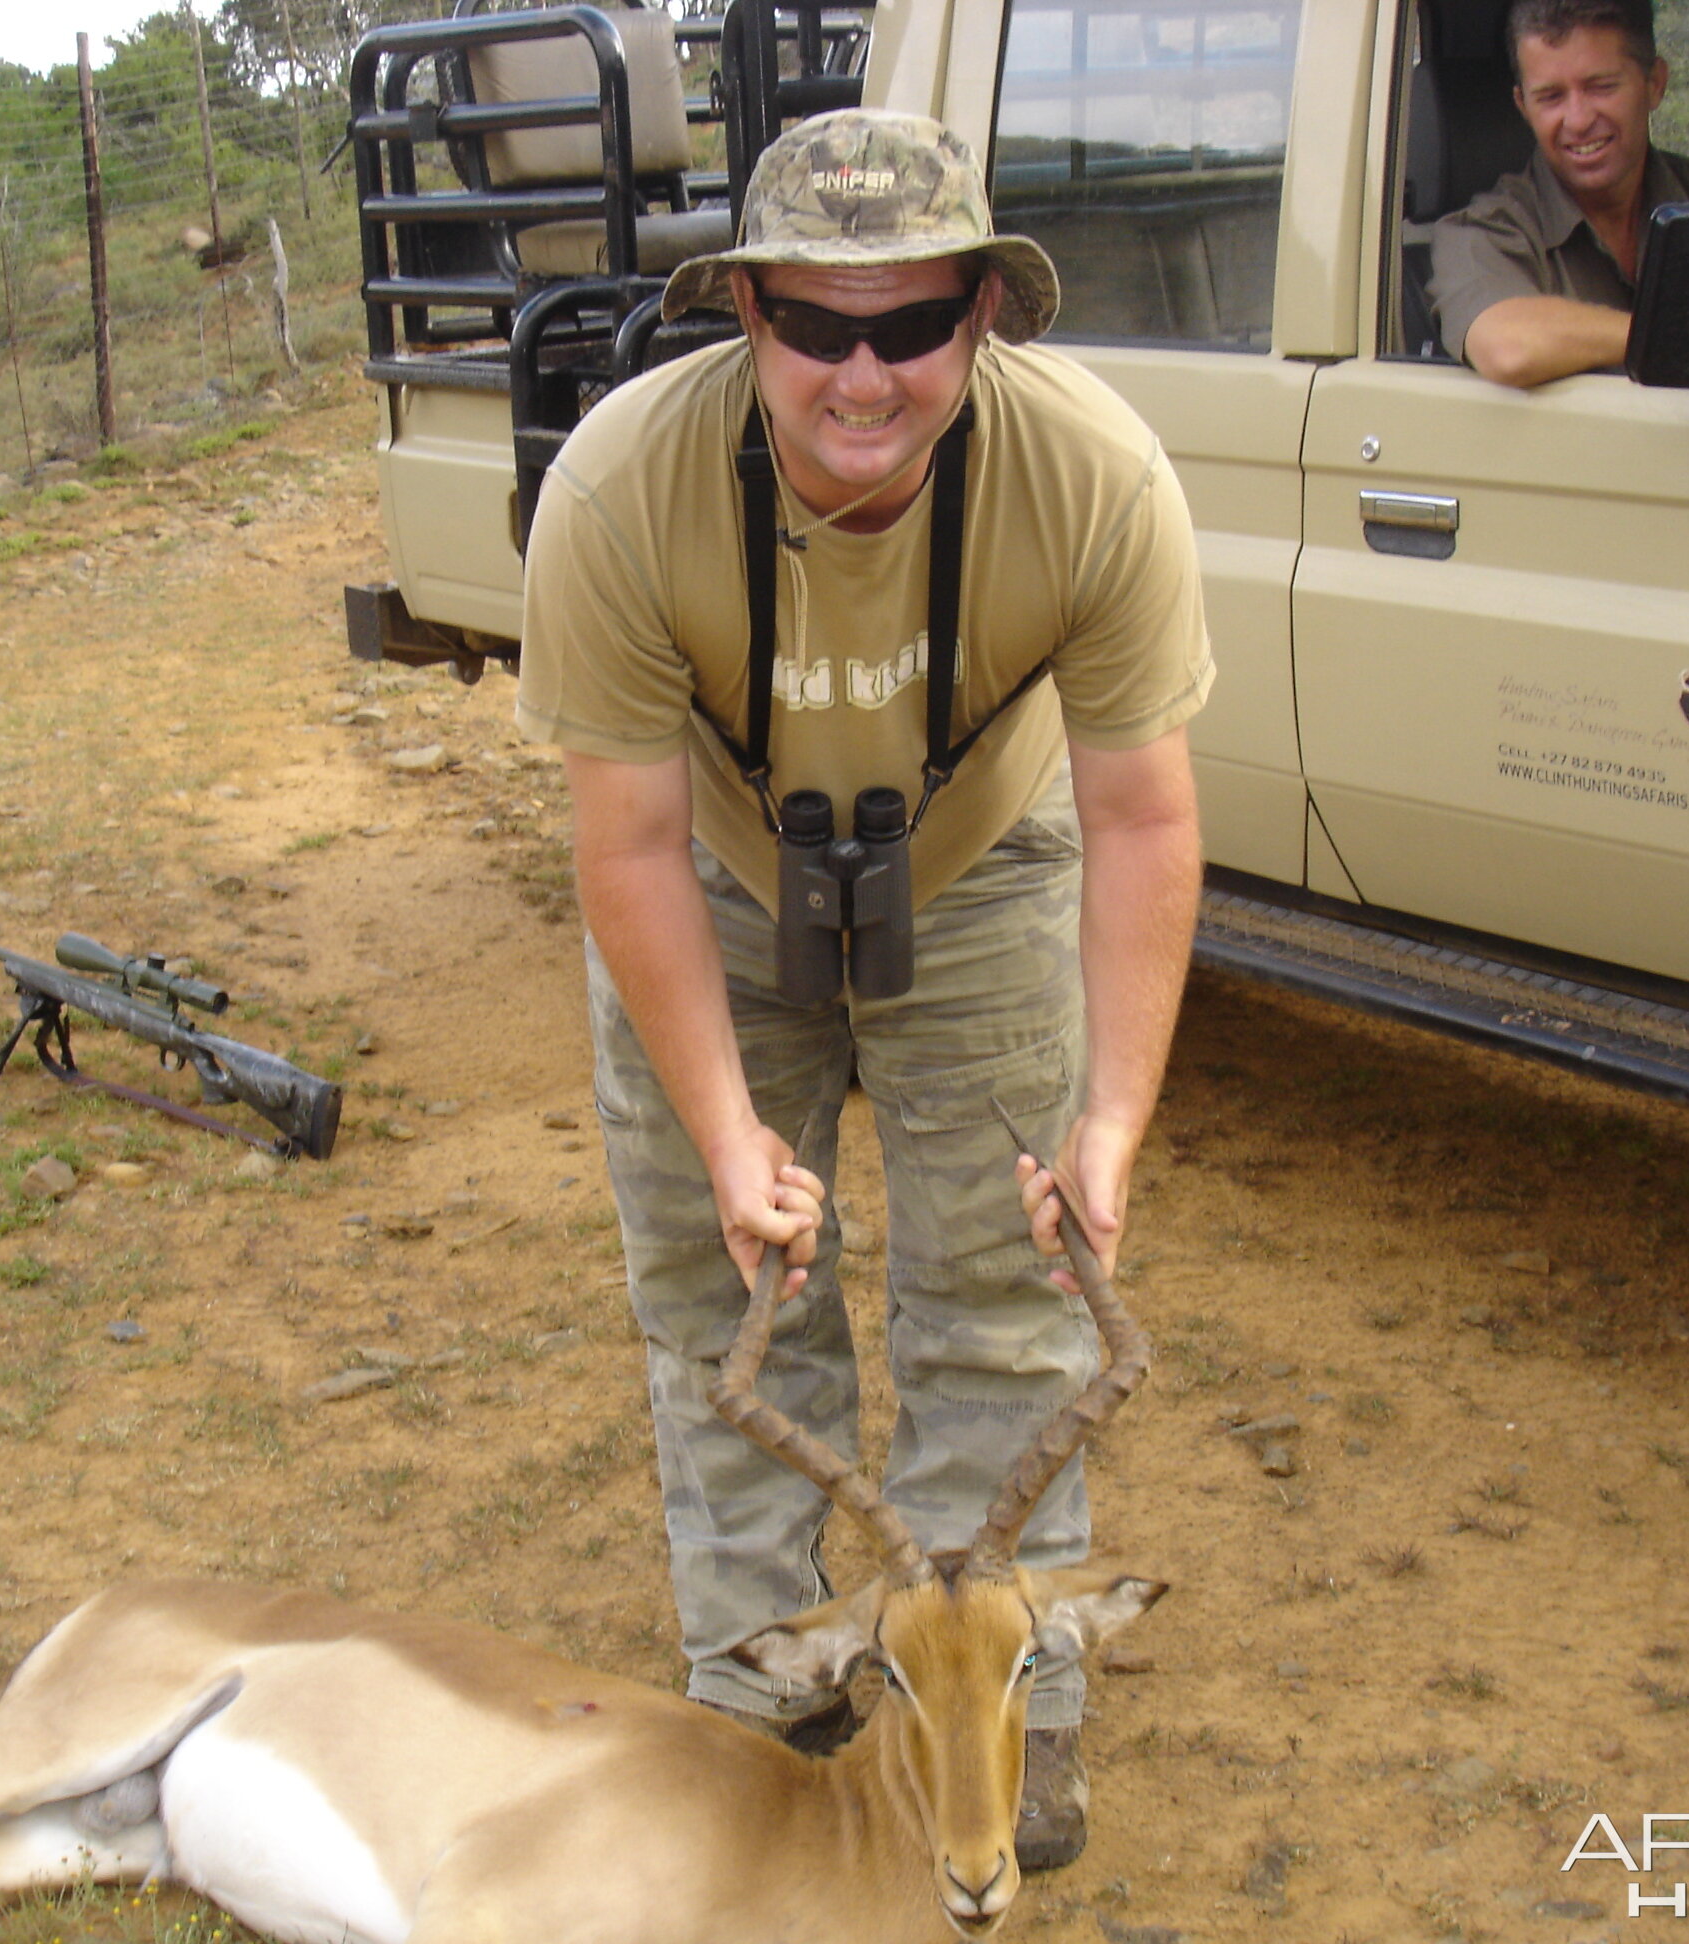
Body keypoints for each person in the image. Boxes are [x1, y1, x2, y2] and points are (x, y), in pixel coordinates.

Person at [514, 109, 1211, 1869]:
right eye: (813, 323)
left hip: (978, 871)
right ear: (742, 311)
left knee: (1013, 1281)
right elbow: (626, 851)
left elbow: (1139, 809)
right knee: (724, 1284)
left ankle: (1016, 1703)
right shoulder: (615, 490)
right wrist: (729, 1129)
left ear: (982, 315)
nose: (861, 370)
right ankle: (763, 1691)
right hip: (720, 878)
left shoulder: (1096, 477)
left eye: (909, 323)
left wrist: (1113, 1115)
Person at [1429, 0, 1689, 386]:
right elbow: (1508, 347)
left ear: (1654, 84)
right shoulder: (1481, 233)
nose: (1580, 119)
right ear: (1523, 105)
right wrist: (1678, 334)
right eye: (1551, 97)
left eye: (1601, 87)